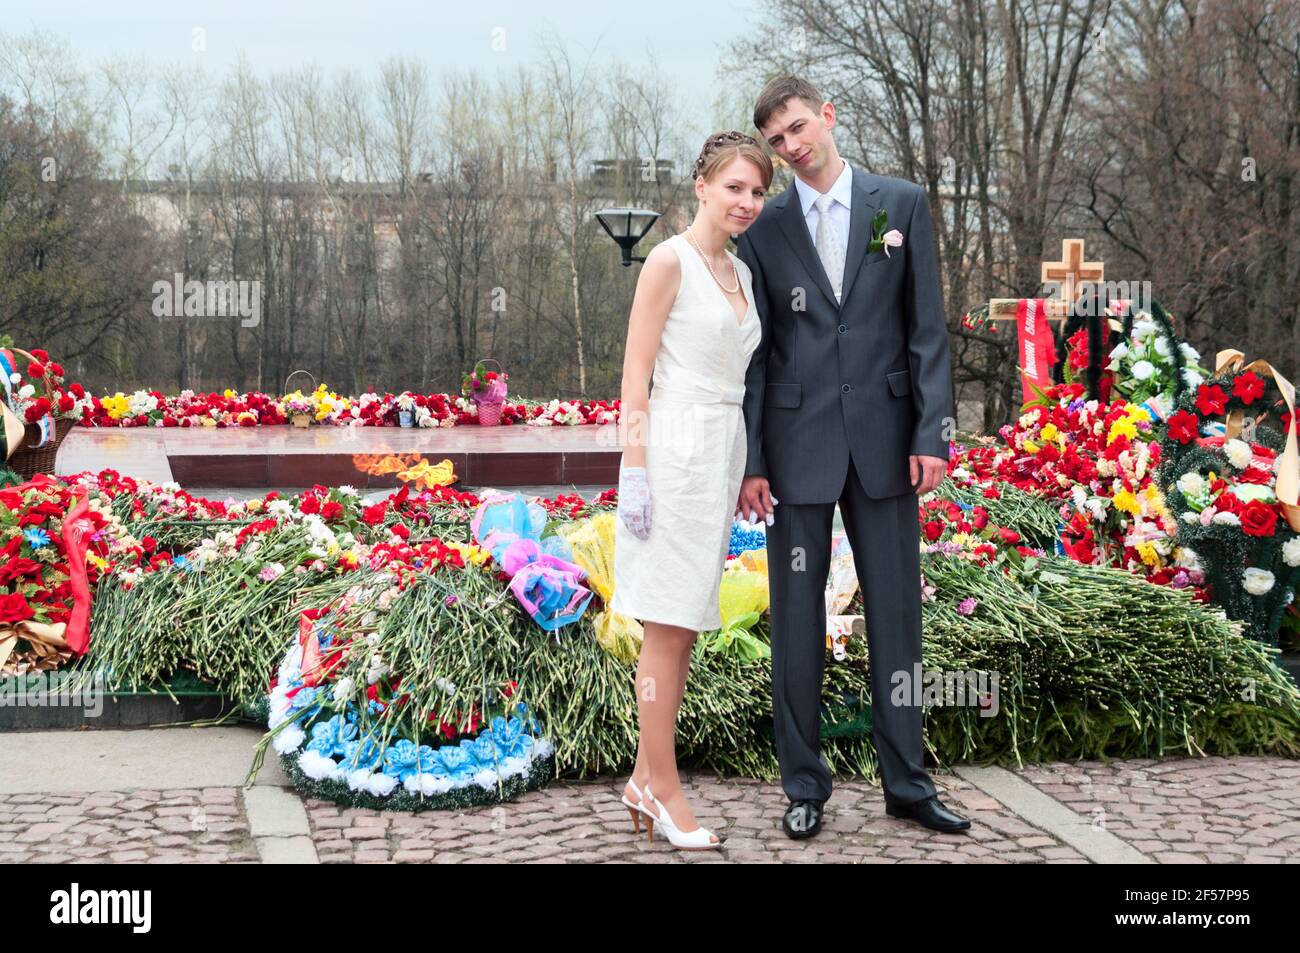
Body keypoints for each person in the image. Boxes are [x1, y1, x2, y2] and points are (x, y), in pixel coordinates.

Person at [734, 75, 971, 838]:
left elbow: (926, 329)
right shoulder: (764, 232)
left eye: (798, 128)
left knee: (898, 617)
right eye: (776, 141)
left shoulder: (899, 206)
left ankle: (907, 781)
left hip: (887, 444)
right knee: (797, 623)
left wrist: (932, 432)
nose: (791, 147)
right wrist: (753, 460)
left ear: (827, 116)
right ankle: (804, 784)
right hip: (797, 449)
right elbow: (759, 356)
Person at [612, 131, 772, 851]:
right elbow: (635, 370)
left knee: (685, 628)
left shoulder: (740, 269)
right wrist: (636, 467)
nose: (746, 201)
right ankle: (665, 786)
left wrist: (741, 466)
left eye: (758, 191)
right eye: (734, 186)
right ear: (703, 185)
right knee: (666, 626)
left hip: (719, 452)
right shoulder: (667, 262)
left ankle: (644, 777)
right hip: (671, 452)